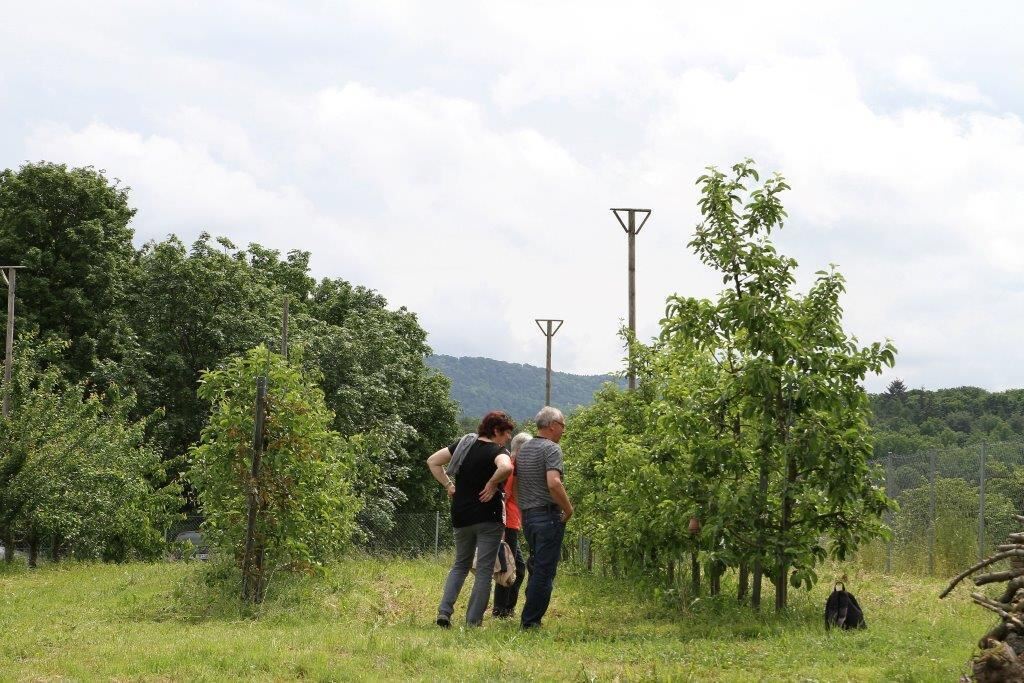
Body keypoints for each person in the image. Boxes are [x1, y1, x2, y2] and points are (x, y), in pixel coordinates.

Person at [426, 410, 515, 627]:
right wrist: (493, 483)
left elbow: (433, 461)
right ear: (496, 431)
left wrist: (448, 485)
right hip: (488, 517)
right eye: (506, 434)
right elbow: (506, 467)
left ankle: (444, 612)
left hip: (461, 514)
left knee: (460, 565)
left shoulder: (463, 446)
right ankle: (473, 622)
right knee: (484, 571)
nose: (508, 439)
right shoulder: (497, 450)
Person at [515, 406, 573, 629]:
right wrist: (568, 509)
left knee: (536, 565)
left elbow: (517, 482)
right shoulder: (552, 449)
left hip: (529, 517)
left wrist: (523, 508)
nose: (563, 431)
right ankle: (530, 622)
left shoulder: (524, 448)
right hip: (548, 517)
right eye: (562, 426)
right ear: (551, 426)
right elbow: (553, 483)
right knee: (544, 571)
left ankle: (529, 614)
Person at [492, 431, 531, 618]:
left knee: (519, 569)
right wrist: (502, 525)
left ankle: (506, 608)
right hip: (508, 524)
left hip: (513, 523)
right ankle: (501, 610)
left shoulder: (514, 466)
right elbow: (504, 497)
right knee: (507, 567)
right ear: (521, 450)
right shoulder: (512, 467)